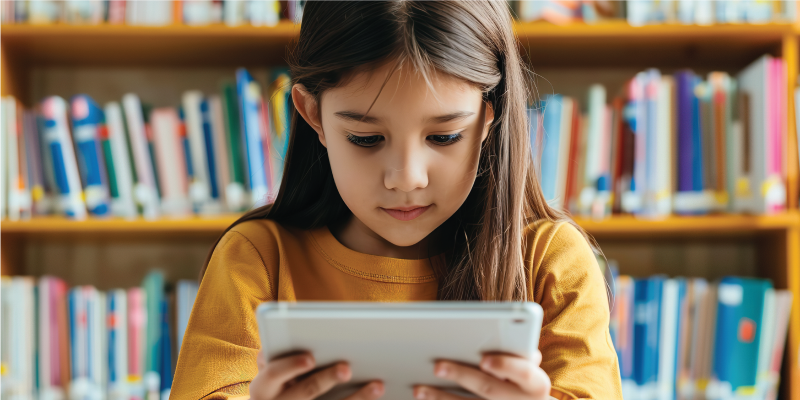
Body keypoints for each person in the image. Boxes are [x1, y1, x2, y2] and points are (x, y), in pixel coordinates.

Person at [170, 0, 622, 399]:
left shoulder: (550, 262)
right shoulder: (258, 260)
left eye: (444, 136)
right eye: (366, 139)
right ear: (313, 116)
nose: (406, 178)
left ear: (490, 117)